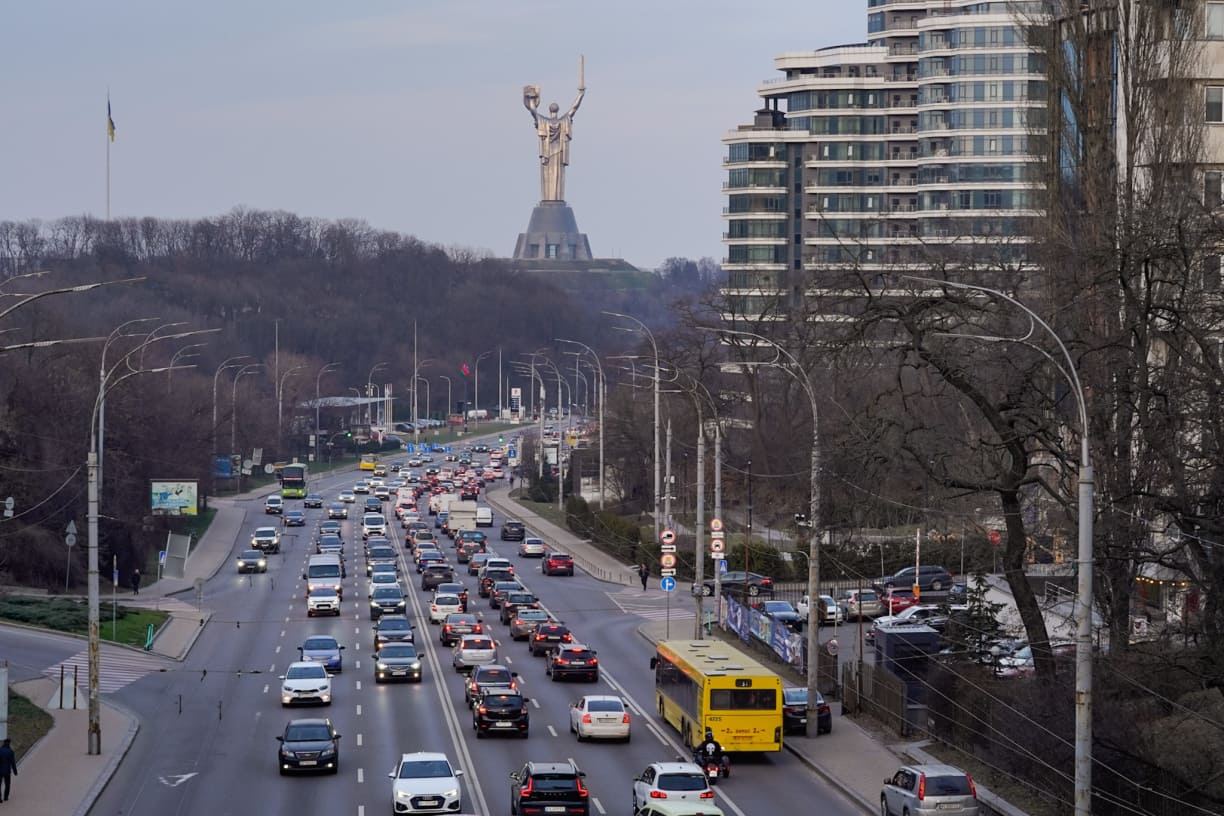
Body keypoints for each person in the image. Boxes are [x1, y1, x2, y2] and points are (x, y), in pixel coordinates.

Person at [0, 737, 17, 801]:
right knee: (7, 784)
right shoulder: (11, 752)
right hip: (7, 771)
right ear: (9, 743)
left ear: (3, 743)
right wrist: (15, 771)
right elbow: (13, 762)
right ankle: (5, 797)